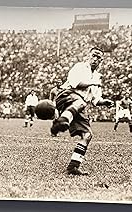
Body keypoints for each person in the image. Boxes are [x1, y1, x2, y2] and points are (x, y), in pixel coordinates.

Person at [50, 47, 114, 176]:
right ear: (88, 56)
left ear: (101, 61)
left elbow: (95, 99)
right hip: (66, 95)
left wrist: (104, 102)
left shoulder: (97, 76)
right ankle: (62, 121)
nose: (95, 59)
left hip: (78, 105)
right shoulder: (79, 67)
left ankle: (73, 167)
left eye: (99, 57)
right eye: (94, 56)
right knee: (80, 102)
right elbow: (76, 84)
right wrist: (93, 83)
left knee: (87, 135)